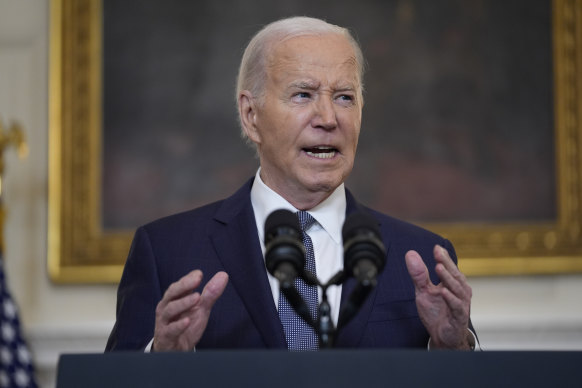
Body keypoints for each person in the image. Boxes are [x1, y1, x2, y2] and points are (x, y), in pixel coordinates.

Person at [105, 16, 476, 352]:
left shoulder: (425, 259)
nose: (329, 118)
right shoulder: (167, 253)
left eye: (344, 97)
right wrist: (157, 363)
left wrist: (452, 350)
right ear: (251, 116)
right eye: (304, 95)